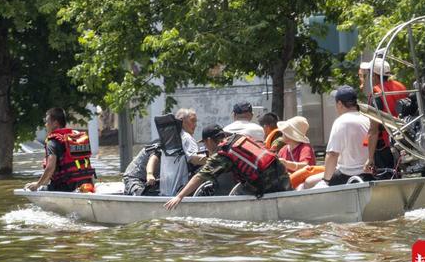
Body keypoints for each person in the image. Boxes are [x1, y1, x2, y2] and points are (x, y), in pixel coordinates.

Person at [164, 126, 292, 210]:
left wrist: (179, 196)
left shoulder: (223, 154)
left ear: (208, 141)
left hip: (267, 184)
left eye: (205, 144)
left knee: (235, 195)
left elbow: (200, 176)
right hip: (283, 177)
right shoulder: (240, 139)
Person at [302, 86, 370, 188]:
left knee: (308, 182)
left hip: (348, 174)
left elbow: (333, 154)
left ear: (339, 104)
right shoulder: (366, 119)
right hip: (367, 171)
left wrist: (325, 180)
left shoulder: (341, 121)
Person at [25, 107, 96, 192]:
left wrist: (37, 184)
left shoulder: (53, 142)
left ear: (55, 123)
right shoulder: (75, 138)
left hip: (66, 187)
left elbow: (50, 167)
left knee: (28, 189)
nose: (46, 125)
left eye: (47, 122)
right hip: (87, 184)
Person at [367, 59, 407, 171]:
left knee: (386, 179)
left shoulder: (377, 94)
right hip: (404, 143)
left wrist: (370, 159)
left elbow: (373, 130)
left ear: (374, 75)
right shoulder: (401, 87)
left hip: (384, 147)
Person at [158, 108, 207, 196]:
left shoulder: (170, 138)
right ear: (182, 121)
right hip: (181, 188)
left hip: (166, 188)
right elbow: (193, 159)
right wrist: (214, 159)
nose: (195, 125)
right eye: (193, 121)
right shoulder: (186, 137)